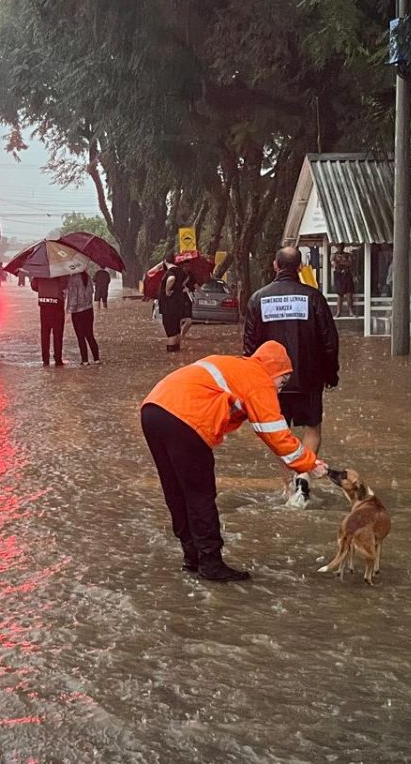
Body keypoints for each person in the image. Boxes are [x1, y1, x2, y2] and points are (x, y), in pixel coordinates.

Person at [140, 341, 328, 581]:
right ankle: (210, 562)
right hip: (185, 418)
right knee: (200, 494)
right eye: (283, 381)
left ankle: (192, 556)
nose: (280, 389)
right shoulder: (258, 379)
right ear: (275, 370)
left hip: (153, 410)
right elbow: (276, 434)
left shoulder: (237, 367)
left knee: (176, 490)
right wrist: (310, 464)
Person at [244, 246, 340, 506]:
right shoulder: (314, 298)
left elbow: (249, 348)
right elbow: (329, 341)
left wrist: (251, 384)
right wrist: (331, 373)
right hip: (309, 378)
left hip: (272, 381)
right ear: (299, 267)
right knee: (312, 427)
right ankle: (303, 478)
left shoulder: (258, 299)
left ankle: (289, 488)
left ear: (275, 266)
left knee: (279, 433)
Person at [66, 271, 101, 365]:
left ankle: (85, 360)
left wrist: (69, 312)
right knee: (90, 335)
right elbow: (91, 292)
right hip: (89, 310)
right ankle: (96, 359)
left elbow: (73, 297)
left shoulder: (73, 278)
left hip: (77, 312)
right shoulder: (88, 277)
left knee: (80, 337)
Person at [31, 275, 66, 366]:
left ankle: (45, 360)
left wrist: (43, 287)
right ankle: (58, 359)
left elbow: (34, 286)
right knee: (58, 334)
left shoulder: (40, 273)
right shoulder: (60, 272)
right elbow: (66, 285)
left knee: (45, 334)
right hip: (57, 307)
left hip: (44, 307)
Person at [157, 254, 187, 353]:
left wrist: (167, 290)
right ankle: (177, 351)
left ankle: (171, 353)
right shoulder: (180, 271)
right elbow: (184, 281)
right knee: (176, 328)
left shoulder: (171, 272)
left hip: (169, 305)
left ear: (165, 261)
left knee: (170, 330)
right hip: (178, 304)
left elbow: (171, 279)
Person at [331, 244, 355, 317]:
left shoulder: (347, 255)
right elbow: (334, 264)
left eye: (341, 246)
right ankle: (338, 312)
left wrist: (341, 263)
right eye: (339, 246)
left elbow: (350, 264)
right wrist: (344, 263)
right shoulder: (334, 255)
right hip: (338, 275)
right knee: (340, 294)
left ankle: (351, 311)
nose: (340, 248)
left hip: (347, 274)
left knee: (349, 293)